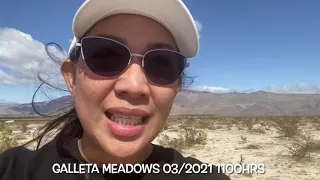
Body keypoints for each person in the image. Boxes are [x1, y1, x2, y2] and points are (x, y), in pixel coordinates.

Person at [0, 0, 230, 179]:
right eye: (105, 56)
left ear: (177, 87)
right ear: (71, 78)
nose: (134, 86)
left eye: (162, 63)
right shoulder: (13, 171)